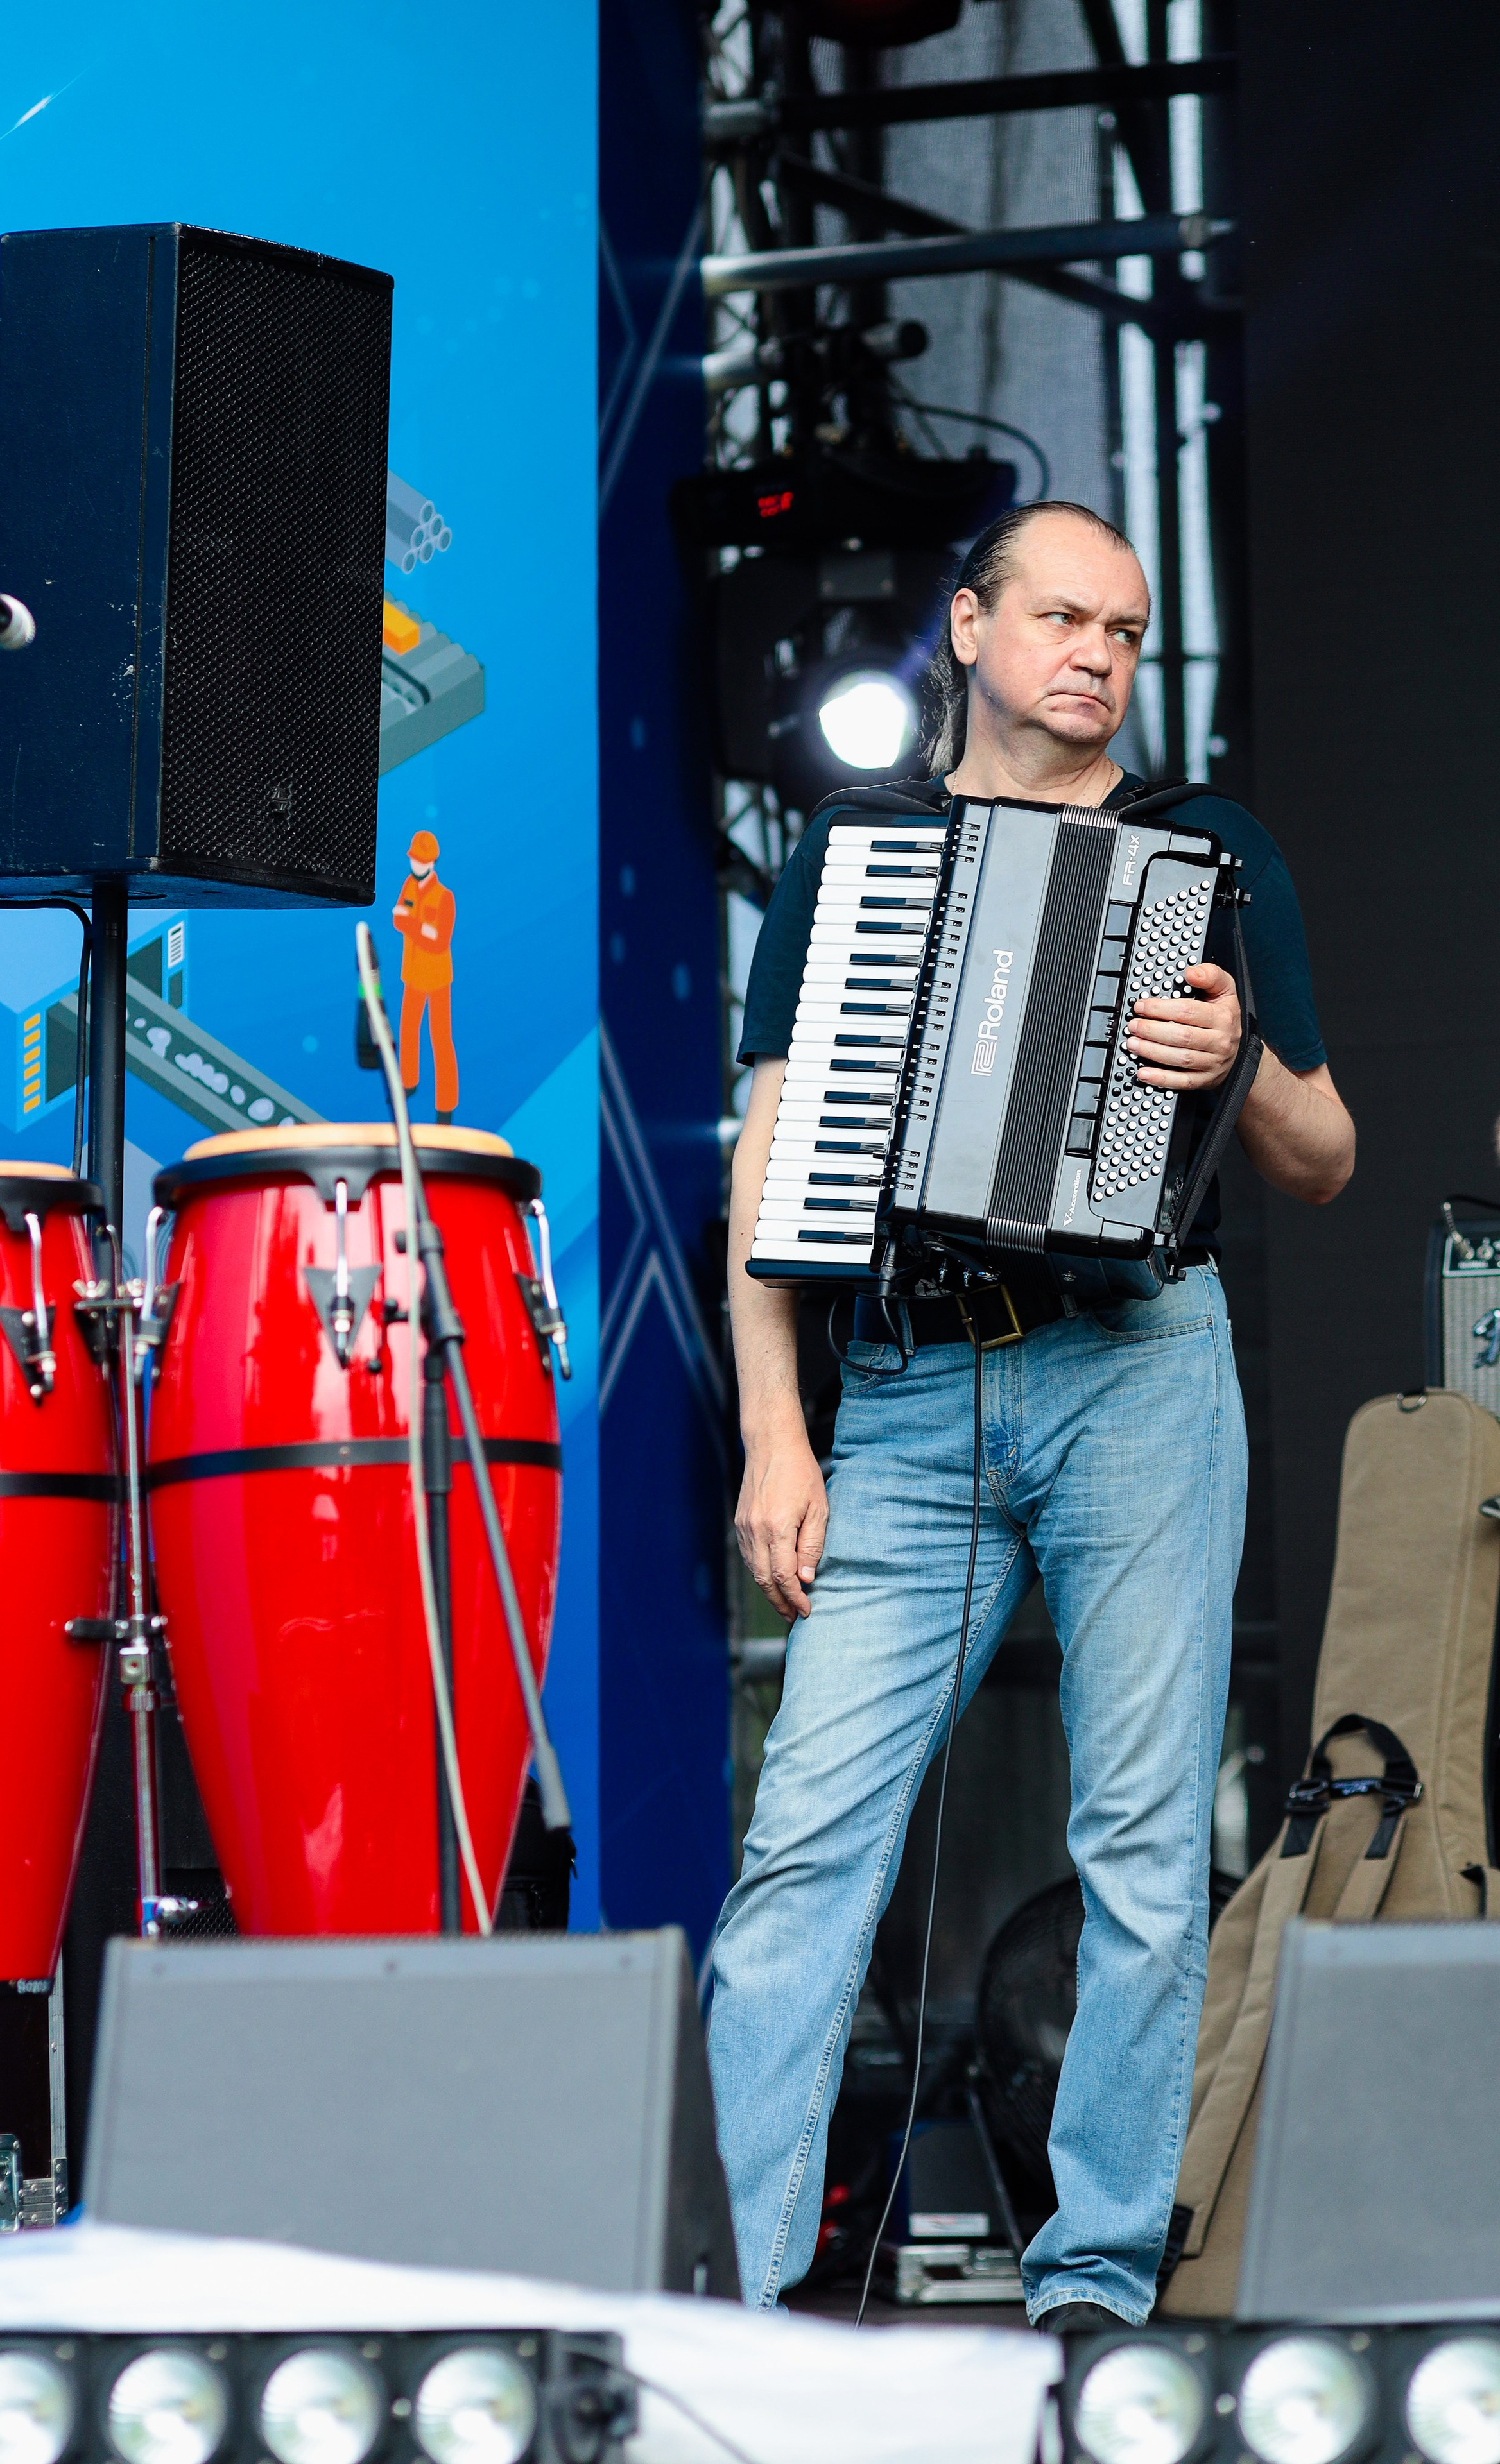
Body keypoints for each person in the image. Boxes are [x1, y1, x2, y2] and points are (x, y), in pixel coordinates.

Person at [707, 501, 1355, 2331]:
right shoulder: (855, 854)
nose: (1100, 655)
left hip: (1137, 1372)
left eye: (1130, 631)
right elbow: (774, 1156)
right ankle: (734, 2309)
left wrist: (1236, 1061)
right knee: (804, 1853)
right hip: (906, 1397)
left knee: (1144, 1852)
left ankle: (1093, 2303)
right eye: (1065, 618)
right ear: (972, 631)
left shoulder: (1206, 852)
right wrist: (779, 1428)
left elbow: (1326, 1154)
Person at [393, 828, 458, 1122]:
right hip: (413, 974)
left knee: (440, 1039)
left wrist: (414, 926)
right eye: (413, 860)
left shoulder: (444, 898)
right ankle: (408, 1084)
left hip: (437, 979)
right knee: (408, 1030)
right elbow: (397, 919)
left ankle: (445, 1105)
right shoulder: (408, 885)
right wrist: (418, 927)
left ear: (431, 862)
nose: (416, 865)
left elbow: (440, 941)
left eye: (421, 861)